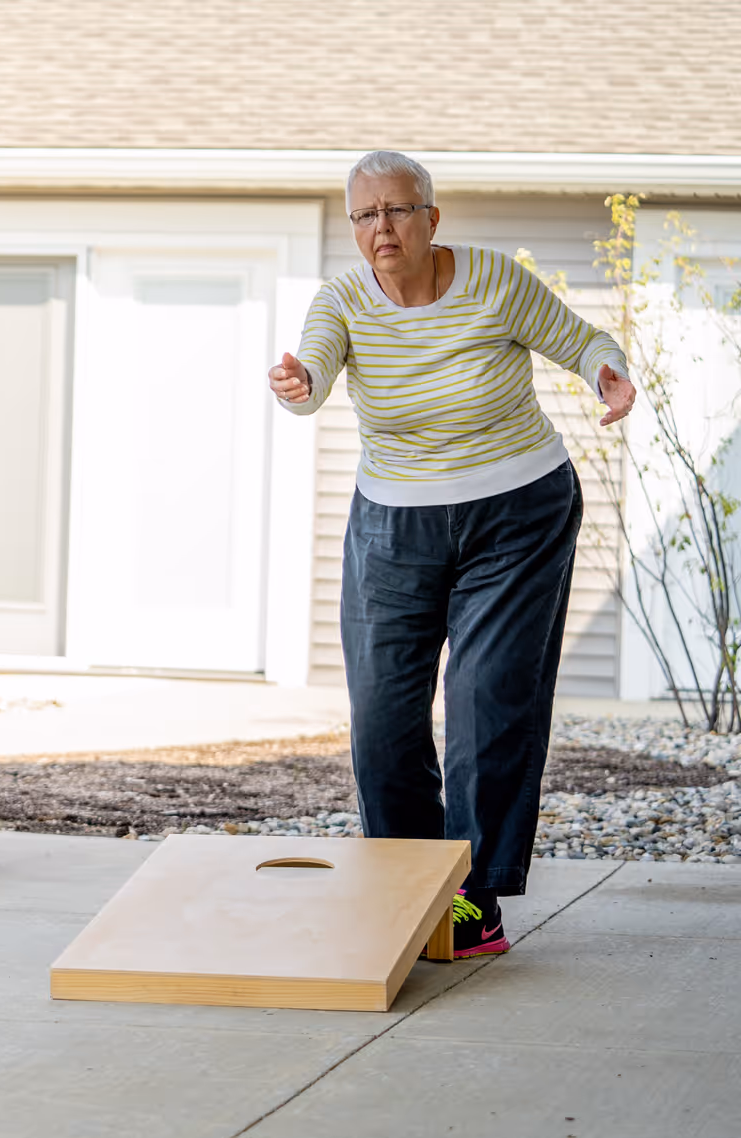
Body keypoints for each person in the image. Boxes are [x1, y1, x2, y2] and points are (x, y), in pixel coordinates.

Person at [270, 151, 635, 959]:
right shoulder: (340, 303)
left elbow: (583, 340)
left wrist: (608, 371)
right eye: (365, 216)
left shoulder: (495, 282)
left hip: (518, 514)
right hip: (396, 525)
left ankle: (473, 900)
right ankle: (408, 888)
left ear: (432, 219)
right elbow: (317, 366)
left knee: (484, 697)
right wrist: (300, 384)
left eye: (398, 211)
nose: (382, 229)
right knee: (382, 718)